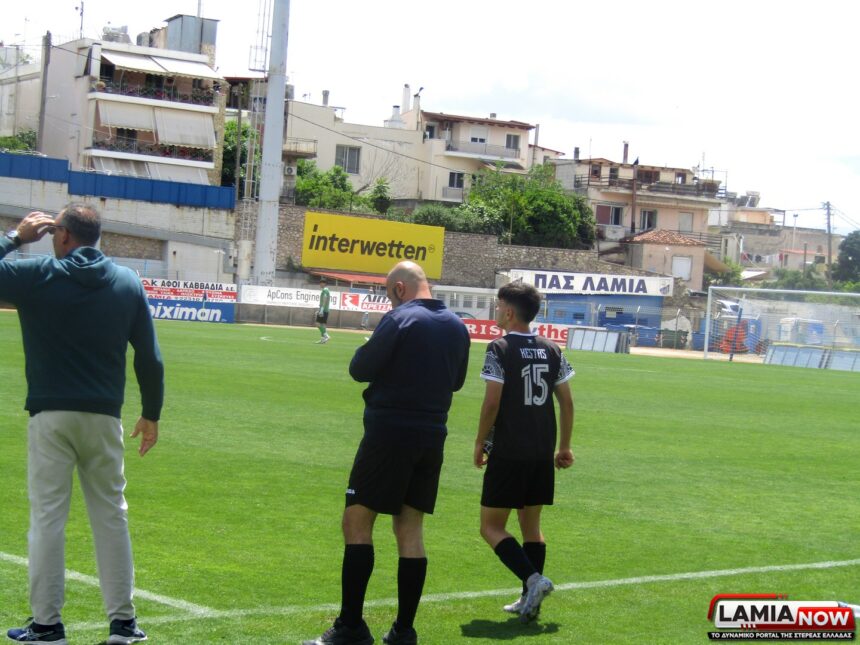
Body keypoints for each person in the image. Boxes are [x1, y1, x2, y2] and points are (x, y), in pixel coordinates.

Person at [1, 205, 164, 645]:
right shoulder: (127, 281)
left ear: (63, 235)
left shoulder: (38, 274)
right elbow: (149, 356)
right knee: (112, 516)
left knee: (48, 519)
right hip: (104, 416)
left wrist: (16, 237)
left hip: (50, 414)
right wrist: (151, 413)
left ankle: (47, 624)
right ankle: (123, 623)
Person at [304, 261, 470, 645]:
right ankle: (403, 631)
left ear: (398, 289)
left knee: (357, 522)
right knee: (410, 529)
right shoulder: (457, 326)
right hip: (433, 436)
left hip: (389, 434)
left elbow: (360, 368)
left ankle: (350, 627)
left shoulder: (400, 319)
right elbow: (457, 382)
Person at [473, 280, 574, 623]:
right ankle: (529, 599)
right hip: (541, 452)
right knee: (531, 526)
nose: (496, 310)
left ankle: (533, 580)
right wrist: (564, 446)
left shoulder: (499, 348)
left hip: (509, 451)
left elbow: (492, 402)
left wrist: (480, 441)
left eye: (498, 305)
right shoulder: (552, 348)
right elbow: (567, 402)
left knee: (491, 527)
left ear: (509, 312)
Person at [316, 277, 332, 343]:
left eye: (321, 283)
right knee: (323, 325)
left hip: (324, 310)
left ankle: (326, 335)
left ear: (324, 283)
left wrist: (321, 310)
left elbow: (324, 298)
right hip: (326, 310)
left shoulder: (325, 290)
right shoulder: (327, 290)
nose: (320, 284)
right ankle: (323, 339)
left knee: (317, 324)